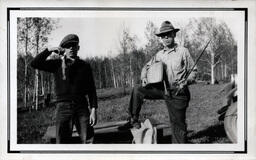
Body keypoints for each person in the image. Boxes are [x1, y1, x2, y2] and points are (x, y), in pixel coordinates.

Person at [125, 21, 197, 143]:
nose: (166, 38)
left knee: (177, 125)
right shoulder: (159, 55)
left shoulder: (183, 51)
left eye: (168, 34)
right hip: (163, 90)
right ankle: (133, 119)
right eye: (163, 36)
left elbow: (193, 71)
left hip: (178, 92)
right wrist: (144, 77)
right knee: (137, 89)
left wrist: (187, 81)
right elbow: (146, 67)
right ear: (161, 38)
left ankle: (179, 150)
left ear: (174, 35)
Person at [31, 34, 98, 144]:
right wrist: (49, 50)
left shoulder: (85, 66)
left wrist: (94, 109)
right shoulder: (57, 64)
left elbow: (91, 89)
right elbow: (35, 63)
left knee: (88, 140)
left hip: (82, 107)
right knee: (62, 142)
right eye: (68, 46)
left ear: (78, 47)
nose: (71, 48)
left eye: (73, 45)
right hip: (63, 108)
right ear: (63, 49)